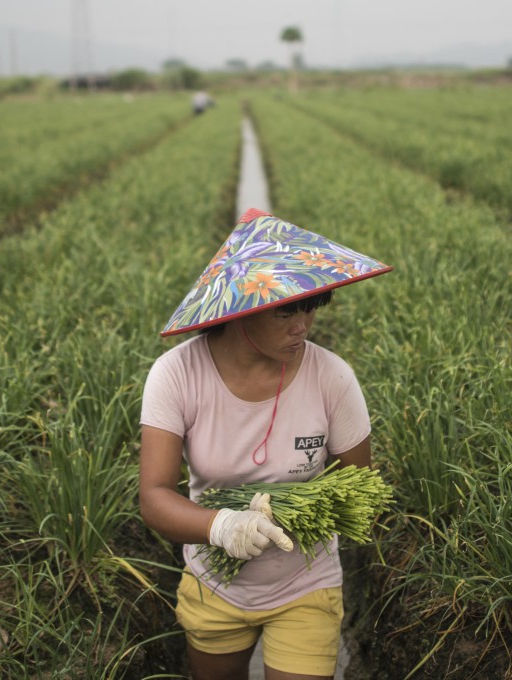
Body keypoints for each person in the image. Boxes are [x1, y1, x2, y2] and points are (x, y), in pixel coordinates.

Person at [139, 209, 392, 680]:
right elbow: (154, 497)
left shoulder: (332, 377)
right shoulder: (177, 375)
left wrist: (290, 508)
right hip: (214, 583)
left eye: (312, 305)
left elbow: (361, 493)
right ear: (241, 308)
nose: (304, 324)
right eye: (286, 309)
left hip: (305, 584)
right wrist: (223, 526)